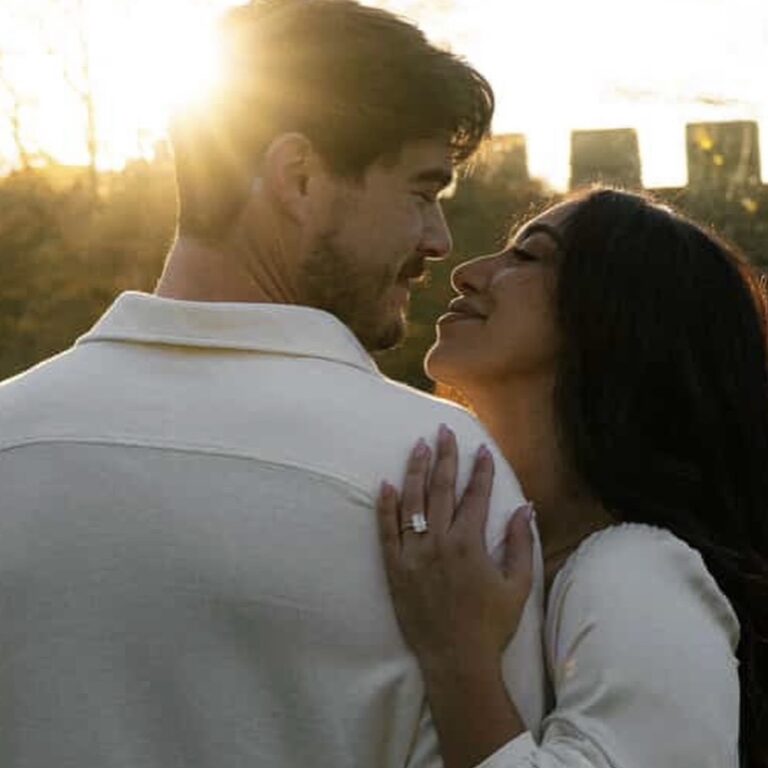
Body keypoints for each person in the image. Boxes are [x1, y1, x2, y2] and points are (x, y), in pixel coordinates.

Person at [0, 1, 546, 766]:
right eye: (423, 193)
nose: (439, 240)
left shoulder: (12, 437)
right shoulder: (445, 478)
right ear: (299, 178)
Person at [377, 188, 768, 767]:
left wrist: (457, 655)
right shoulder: (498, 556)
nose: (465, 272)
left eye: (527, 255)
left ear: (617, 316)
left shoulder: (636, 565)